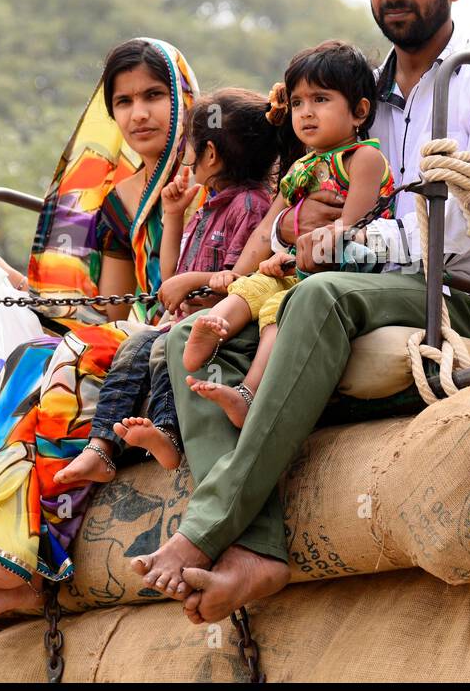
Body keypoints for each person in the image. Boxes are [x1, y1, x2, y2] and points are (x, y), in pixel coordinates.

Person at [136, 0, 470, 623]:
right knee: (184, 337)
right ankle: (259, 546)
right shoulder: (355, 96)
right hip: (345, 282)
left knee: (318, 296)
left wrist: (350, 242)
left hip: (459, 293)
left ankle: (205, 525)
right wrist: (281, 238)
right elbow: (295, 194)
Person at [0, 37, 200, 621]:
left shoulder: (220, 171)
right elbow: (113, 310)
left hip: (197, 332)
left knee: (50, 369)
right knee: (19, 368)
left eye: (154, 95)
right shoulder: (115, 200)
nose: (139, 113)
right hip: (129, 339)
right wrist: (13, 281)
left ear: (187, 99)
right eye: (123, 102)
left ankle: (8, 559)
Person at [61, 88, 296, 482]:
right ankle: (101, 447)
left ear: (210, 155)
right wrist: (173, 216)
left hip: (213, 325)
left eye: (190, 144)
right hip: (176, 321)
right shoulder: (205, 204)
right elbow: (171, 279)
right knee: (133, 347)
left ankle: (167, 435)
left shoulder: (251, 206)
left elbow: (240, 281)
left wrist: (197, 281)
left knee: (159, 348)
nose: (183, 154)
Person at [183, 42, 393, 426]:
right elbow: (267, 228)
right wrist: (240, 275)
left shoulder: (363, 159)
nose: (306, 112)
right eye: (297, 103)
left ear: (360, 111)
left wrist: (291, 257)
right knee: (251, 290)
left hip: (337, 275)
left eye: (321, 99)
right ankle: (210, 333)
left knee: (278, 311)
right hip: (293, 267)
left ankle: (248, 393)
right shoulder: (302, 167)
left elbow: (352, 231)